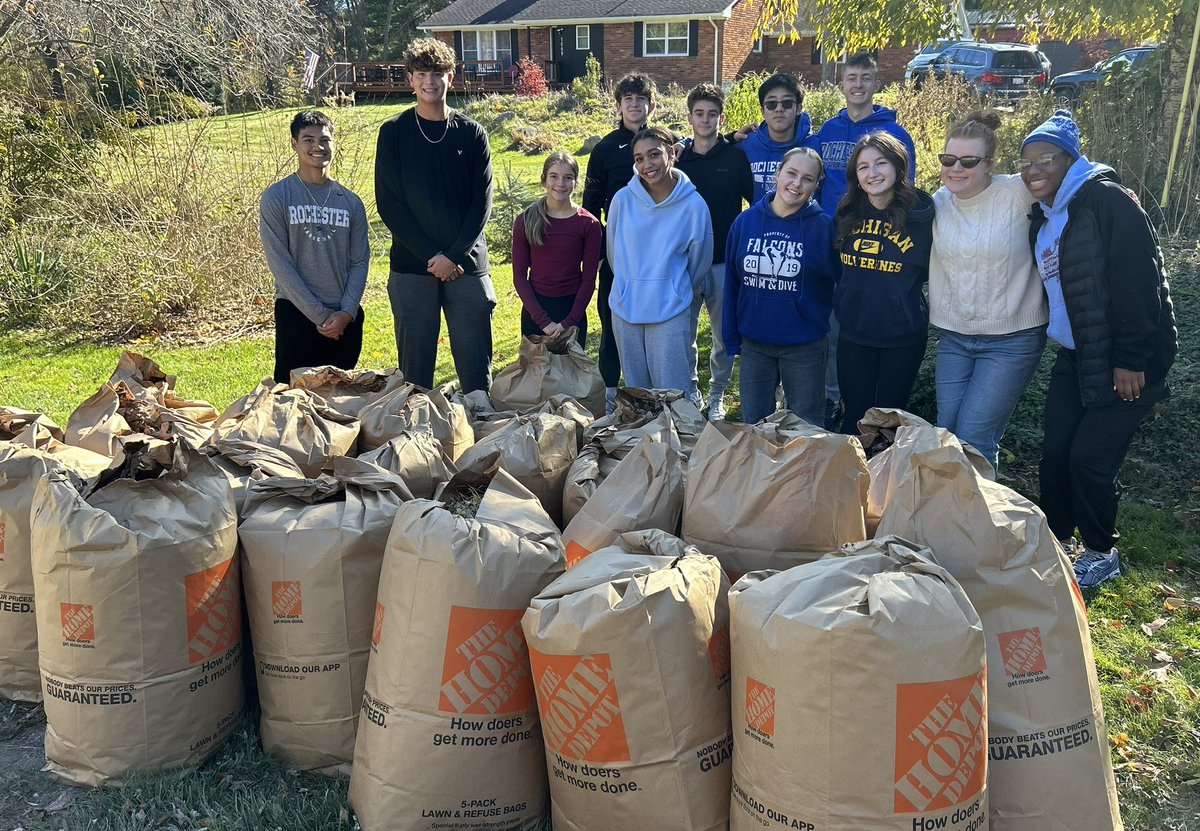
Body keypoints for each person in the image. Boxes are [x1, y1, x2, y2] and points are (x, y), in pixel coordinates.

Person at [1020, 109, 1177, 589]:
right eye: (1026, 162)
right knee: (1055, 452)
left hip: (1127, 358)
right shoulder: (1044, 217)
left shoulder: (1107, 202)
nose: (1034, 170)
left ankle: (1101, 550)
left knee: (1089, 457)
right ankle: (1058, 543)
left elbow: (1138, 282)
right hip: (1076, 355)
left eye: (1046, 158)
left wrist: (1130, 360)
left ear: (1071, 159)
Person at [929, 110, 1047, 473]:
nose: (956, 168)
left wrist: (1114, 190)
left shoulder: (1017, 192)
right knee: (947, 434)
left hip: (1011, 339)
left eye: (968, 160)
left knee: (976, 438)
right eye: (948, 159)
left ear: (990, 164)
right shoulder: (937, 203)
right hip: (954, 338)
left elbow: (1071, 185)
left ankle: (980, 524)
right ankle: (949, 515)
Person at [804, 52, 917, 429]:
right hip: (837, 235)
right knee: (836, 320)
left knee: (863, 314)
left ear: (875, 83)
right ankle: (835, 398)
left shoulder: (894, 134)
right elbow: (809, 170)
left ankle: (870, 412)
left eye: (865, 78)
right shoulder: (828, 131)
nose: (857, 85)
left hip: (880, 241)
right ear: (841, 84)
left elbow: (906, 189)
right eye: (851, 78)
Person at [375, 37, 495, 393]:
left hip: (467, 267)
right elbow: (390, 205)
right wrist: (432, 256)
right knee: (415, 377)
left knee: (476, 372)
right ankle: (418, 439)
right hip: (413, 268)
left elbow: (482, 203)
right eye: (422, 73)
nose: (430, 80)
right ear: (410, 79)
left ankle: (481, 436)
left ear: (451, 77)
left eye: (438, 72)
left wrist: (454, 256)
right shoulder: (394, 133)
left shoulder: (473, 134)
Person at [723, 147, 839, 425]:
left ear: (816, 185)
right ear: (777, 174)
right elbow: (732, 283)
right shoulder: (745, 222)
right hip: (755, 343)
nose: (797, 184)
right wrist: (731, 336)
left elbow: (842, 283)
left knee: (807, 424)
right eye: (791, 173)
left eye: (807, 179)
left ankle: (805, 470)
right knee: (754, 421)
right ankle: (762, 470)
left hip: (804, 345)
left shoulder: (824, 228)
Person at [833, 132, 935, 434]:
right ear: (855, 175)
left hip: (901, 337)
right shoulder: (847, 213)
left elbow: (931, 269)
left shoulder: (921, 215)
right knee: (855, 415)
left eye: (880, 163)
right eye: (863, 167)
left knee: (892, 420)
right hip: (854, 334)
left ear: (898, 166)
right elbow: (837, 266)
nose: (872, 173)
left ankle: (888, 480)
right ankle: (855, 478)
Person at [260, 110, 369, 384]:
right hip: (296, 313)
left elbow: (359, 261)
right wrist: (319, 315)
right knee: (292, 399)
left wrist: (346, 312)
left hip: (344, 320)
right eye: (308, 140)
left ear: (334, 143)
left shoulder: (351, 202)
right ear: (294, 144)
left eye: (324, 139)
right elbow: (280, 263)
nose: (317, 147)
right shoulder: (277, 197)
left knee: (340, 401)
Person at [606, 126, 713, 404]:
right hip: (626, 308)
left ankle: (679, 447)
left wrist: (673, 289)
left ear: (671, 154)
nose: (646, 165)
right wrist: (631, 285)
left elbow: (699, 261)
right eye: (639, 158)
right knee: (639, 397)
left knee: (673, 397)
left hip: (670, 310)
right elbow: (614, 253)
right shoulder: (622, 200)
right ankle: (646, 447)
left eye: (654, 155)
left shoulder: (693, 205)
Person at [676, 83, 755, 421]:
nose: (705, 120)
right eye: (699, 114)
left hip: (725, 261)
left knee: (724, 337)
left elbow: (755, 204)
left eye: (711, 114)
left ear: (721, 118)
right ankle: (690, 393)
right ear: (690, 117)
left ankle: (717, 394)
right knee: (684, 334)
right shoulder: (679, 160)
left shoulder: (735, 156)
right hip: (687, 262)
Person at [583, 72, 660, 412]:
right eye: (627, 99)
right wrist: (599, 251)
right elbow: (589, 206)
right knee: (613, 318)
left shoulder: (666, 144)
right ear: (618, 105)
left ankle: (656, 389)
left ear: (651, 105)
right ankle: (612, 390)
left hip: (657, 251)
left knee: (658, 322)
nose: (634, 104)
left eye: (640, 98)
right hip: (618, 251)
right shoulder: (603, 149)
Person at [511, 152, 602, 348]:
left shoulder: (588, 224)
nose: (560, 183)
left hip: (572, 311)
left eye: (568, 177)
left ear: (576, 182)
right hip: (535, 310)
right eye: (554, 176)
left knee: (572, 378)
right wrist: (543, 321)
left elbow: (588, 279)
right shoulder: (526, 220)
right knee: (537, 376)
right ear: (543, 180)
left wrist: (569, 322)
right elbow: (519, 276)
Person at [737, 73, 813, 203]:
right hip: (759, 221)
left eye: (787, 103)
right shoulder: (747, 143)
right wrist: (731, 136)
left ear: (799, 108)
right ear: (762, 111)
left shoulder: (814, 147)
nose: (779, 109)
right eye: (771, 104)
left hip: (802, 222)